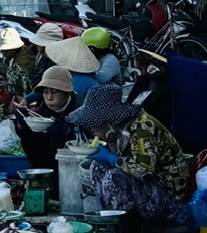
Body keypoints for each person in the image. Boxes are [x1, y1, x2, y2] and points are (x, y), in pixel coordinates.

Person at [67, 83, 188, 222]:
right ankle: (110, 220)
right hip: (147, 190)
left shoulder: (143, 129)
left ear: (108, 120)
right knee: (97, 167)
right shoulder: (119, 128)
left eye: (94, 123)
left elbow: (144, 171)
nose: (92, 129)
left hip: (168, 198)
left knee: (114, 178)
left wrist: (111, 158)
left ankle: (128, 231)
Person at [12, 65, 80, 169]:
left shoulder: (78, 108)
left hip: (72, 164)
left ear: (66, 93)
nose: (49, 98)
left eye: (54, 92)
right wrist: (22, 124)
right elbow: (32, 133)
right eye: (45, 92)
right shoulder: (44, 107)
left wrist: (66, 131)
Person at [0, 27, 38, 99]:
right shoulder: (13, 56)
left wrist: (18, 99)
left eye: (8, 50)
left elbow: (24, 85)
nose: (5, 53)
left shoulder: (23, 61)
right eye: (3, 50)